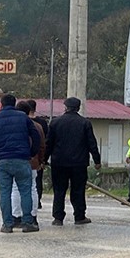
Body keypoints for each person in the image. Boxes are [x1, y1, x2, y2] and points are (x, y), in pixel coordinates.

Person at [45, 97, 101, 226]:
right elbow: (92, 143)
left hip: (59, 162)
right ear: (78, 108)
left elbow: (49, 144)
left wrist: (44, 159)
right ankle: (79, 216)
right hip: (79, 163)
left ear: (65, 107)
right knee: (78, 190)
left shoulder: (55, 122)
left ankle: (58, 218)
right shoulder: (85, 123)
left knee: (59, 191)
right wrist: (97, 160)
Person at [0, 94, 40, 233]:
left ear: (2, 105)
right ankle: (27, 223)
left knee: (5, 193)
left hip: (2, 160)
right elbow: (35, 136)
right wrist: (32, 153)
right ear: (14, 104)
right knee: (26, 191)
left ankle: (7, 225)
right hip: (22, 159)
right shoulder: (23, 117)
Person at [11, 101, 46, 227]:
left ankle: (16, 217)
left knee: (15, 188)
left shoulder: (13, 125)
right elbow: (42, 146)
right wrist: (41, 161)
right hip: (32, 162)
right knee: (32, 188)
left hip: (16, 159)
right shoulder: (37, 126)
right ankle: (32, 216)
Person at [27, 99, 48, 209]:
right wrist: (43, 160)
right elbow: (44, 143)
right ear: (35, 108)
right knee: (37, 182)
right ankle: (37, 201)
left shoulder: (22, 122)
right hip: (36, 158)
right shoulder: (42, 123)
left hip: (23, 157)